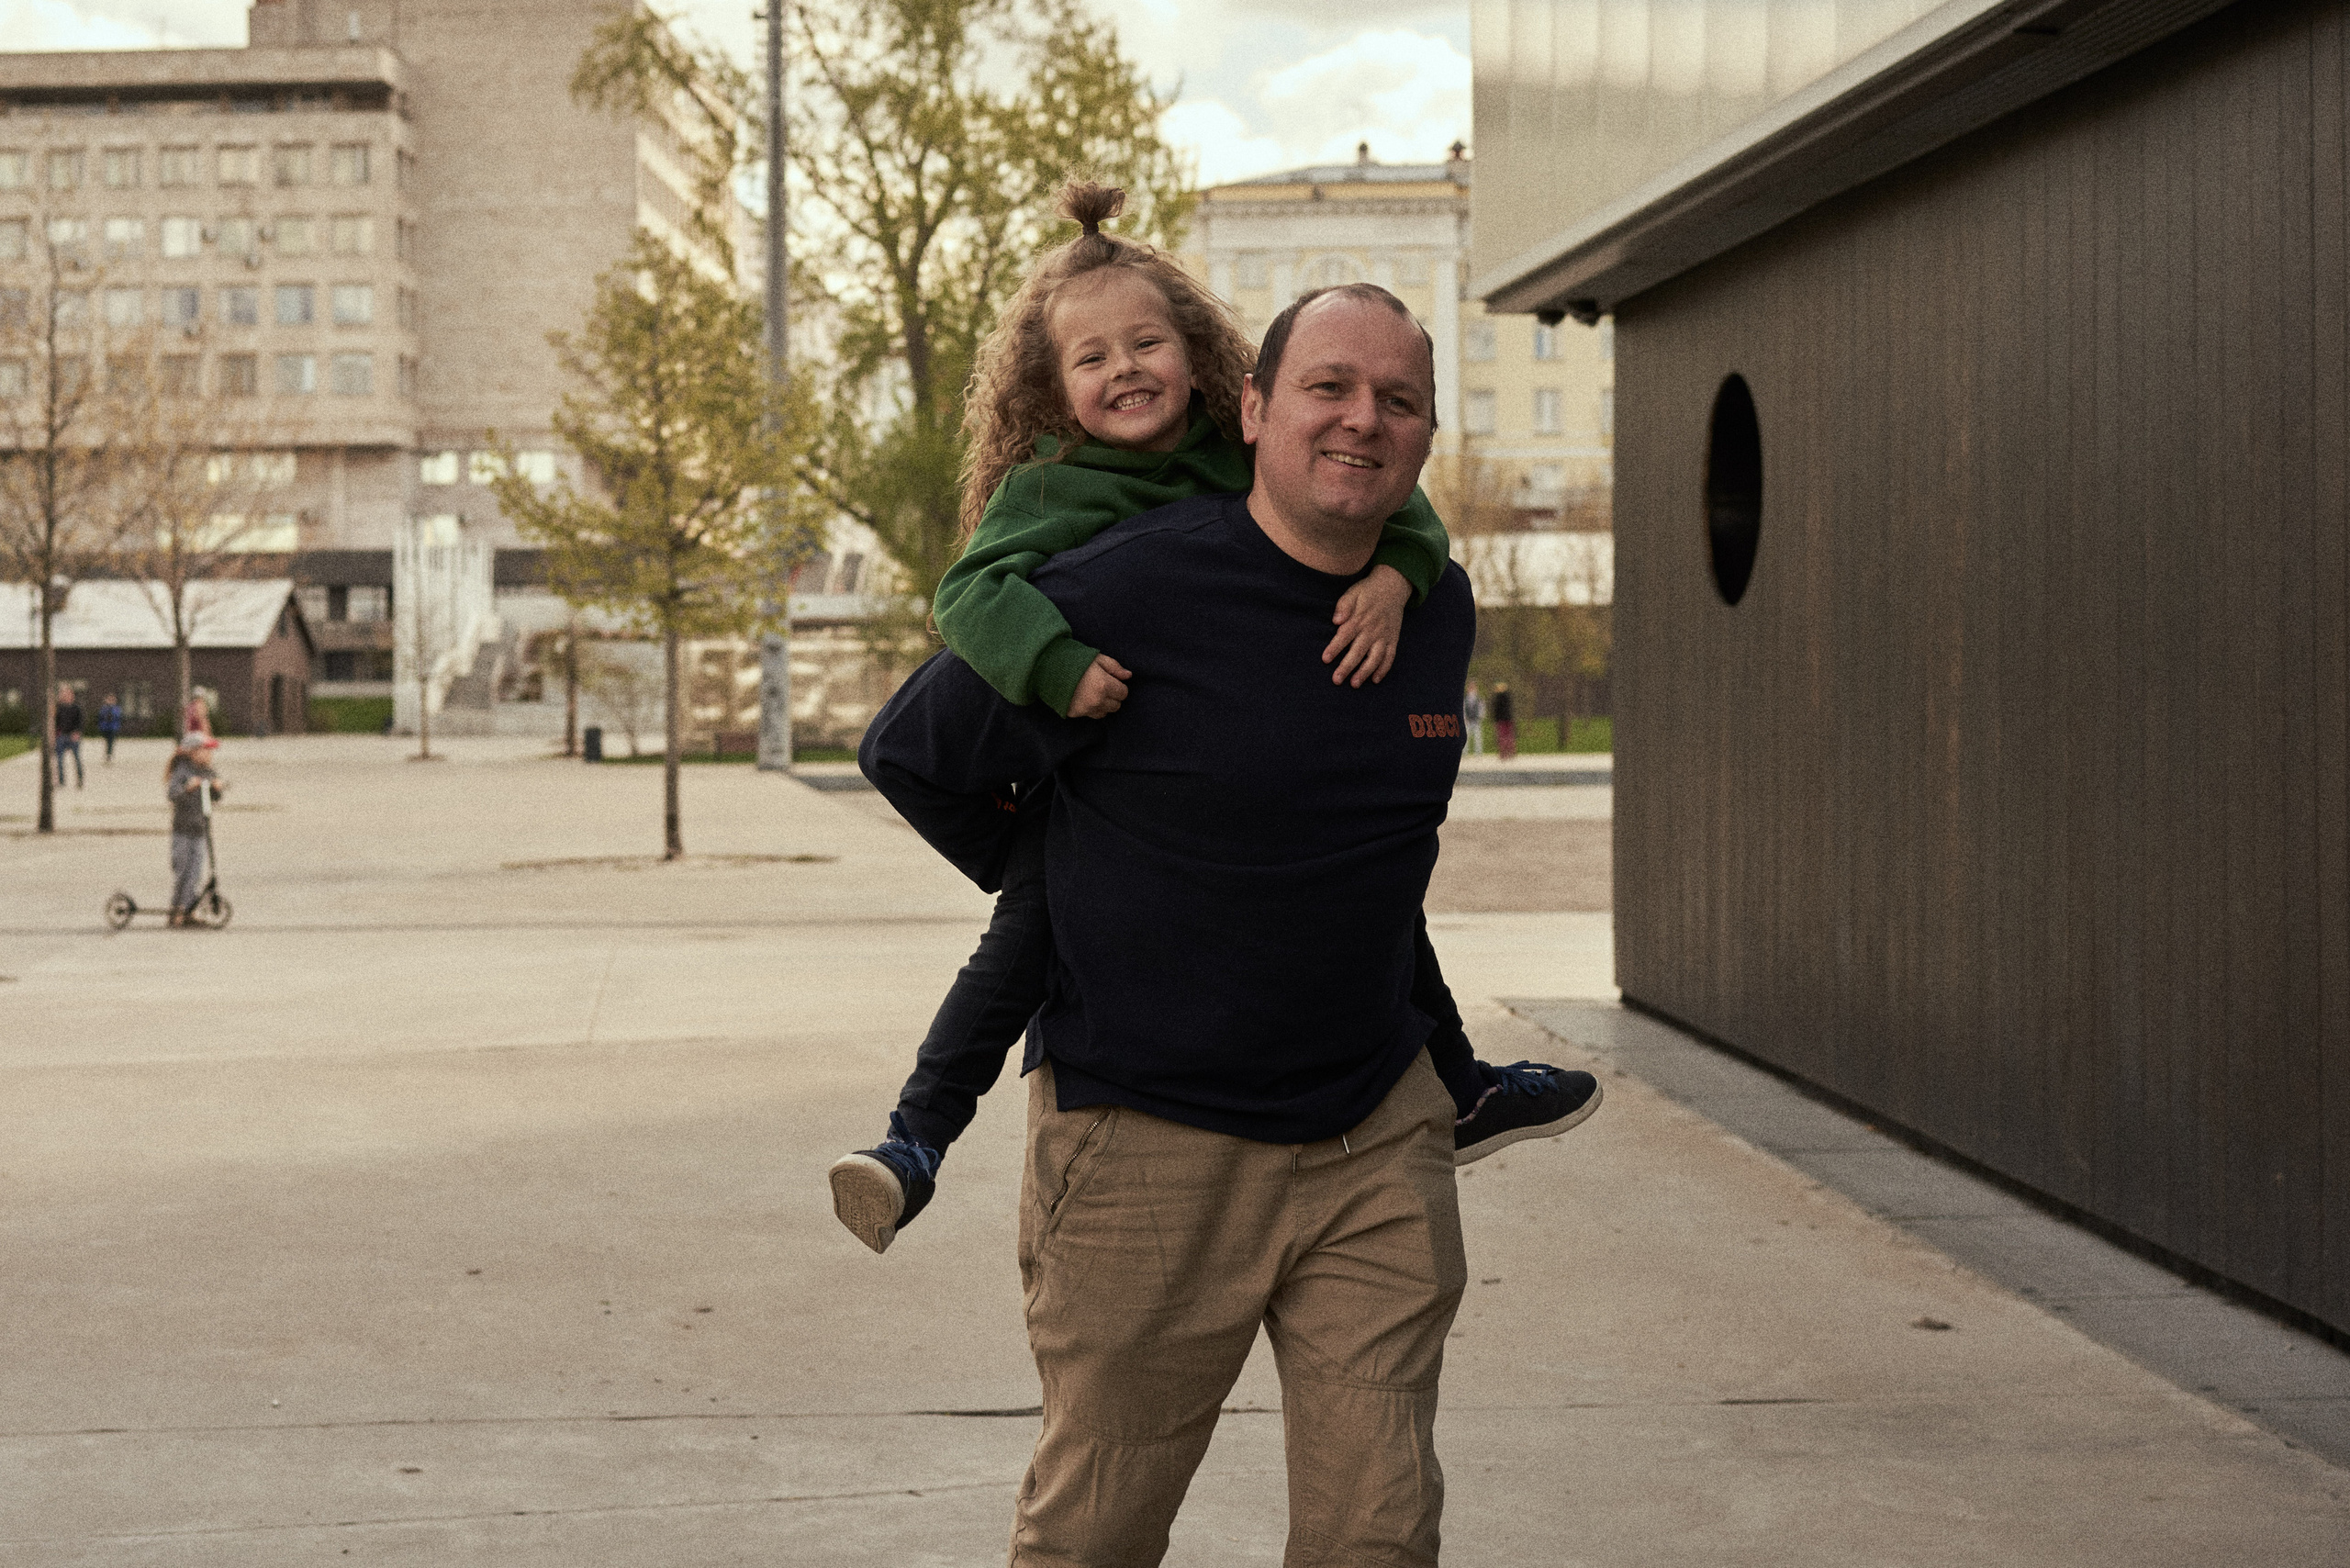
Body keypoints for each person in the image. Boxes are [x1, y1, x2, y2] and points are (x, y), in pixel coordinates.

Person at [862, 282, 1598, 1564]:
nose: (1363, 420)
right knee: (1098, 1532)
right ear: (1252, 409)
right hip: (1147, 1141)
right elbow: (910, 754)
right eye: (1328, 387)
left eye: (1399, 399)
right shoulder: (1105, 591)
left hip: (1375, 1134)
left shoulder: (1436, 610)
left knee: (1380, 1528)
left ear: (1427, 436)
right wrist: (1069, 887)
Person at [830, 185, 1596, 1255]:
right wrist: (1052, 681)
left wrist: (1394, 579)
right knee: (1025, 937)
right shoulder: (1051, 493)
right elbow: (966, 600)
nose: (1125, 370)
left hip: (1253, 806)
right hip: (1084, 776)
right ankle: (915, 1139)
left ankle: (1458, 1082)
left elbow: (1393, 498)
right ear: (1054, 388)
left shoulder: (1238, 453)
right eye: (1091, 360)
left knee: (1371, 892)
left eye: (1146, 342)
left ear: (1204, 364)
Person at [164, 733, 223, 925]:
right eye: (205, 750)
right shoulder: (182, 771)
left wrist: (217, 788)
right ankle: (177, 910)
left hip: (200, 831)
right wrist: (187, 787)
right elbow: (172, 794)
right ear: (192, 752)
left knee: (195, 873)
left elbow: (216, 797)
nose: (209, 755)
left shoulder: (208, 772)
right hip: (182, 830)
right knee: (182, 871)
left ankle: (189, 910)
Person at [52, 684, 84, 789]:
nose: (64, 695)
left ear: (71, 695)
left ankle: (80, 779)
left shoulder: (76, 708)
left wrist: (77, 733)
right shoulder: (58, 708)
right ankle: (61, 781)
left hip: (73, 736)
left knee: (77, 759)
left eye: (66, 693)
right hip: (61, 736)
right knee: (59, 760)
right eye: (62, 693)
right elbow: (54, 721)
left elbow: (80, 722)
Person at [1492, 679, 1517, 761]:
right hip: (1508, 719)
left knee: (1502, 737)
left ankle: (1503, 754)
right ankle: (1511, 752)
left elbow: (1496, 711)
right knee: (1509, 736)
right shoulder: (1508, 697)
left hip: (1501, 720)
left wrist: (1495, 720)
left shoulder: (1497, 699)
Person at [95, 692, 122, 764]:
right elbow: (100, 717)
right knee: (107, 741)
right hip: (105, 727)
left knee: (110, 741)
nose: (110, 701)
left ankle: (109, 755)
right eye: (109, 699)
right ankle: (108, 753)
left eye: (112, 700)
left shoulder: (116, 709)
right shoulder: (104, 708)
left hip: (113, 727)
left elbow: (118, 717)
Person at [1463, 677, 1486, 756]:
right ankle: (1465, 752)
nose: (1472, 688)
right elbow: (1463, 709)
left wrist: (1480, 717)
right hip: (1468, 720)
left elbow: (1481, 708)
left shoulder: (1479, 698)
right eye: (1470, 687)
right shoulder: (1465, 699)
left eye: (1473, 687)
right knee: (1466, 737)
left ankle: (1478, 752)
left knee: (1478, 737)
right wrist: (1464, 718)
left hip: (1476, 720)